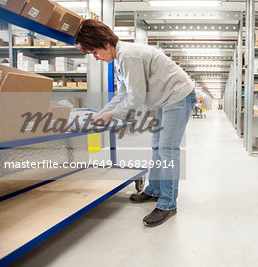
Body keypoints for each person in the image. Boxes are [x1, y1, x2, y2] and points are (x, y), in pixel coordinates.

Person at [75, 19, 196, 227]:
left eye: (94, 52)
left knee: (167, 149)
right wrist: (103, 112)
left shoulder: (128, 56)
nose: (95, 58)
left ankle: (168, 204)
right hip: (163, 99)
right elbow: (124, 93)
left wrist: (111, 116)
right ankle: (155, 190)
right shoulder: (120, 59)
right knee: (157, 146)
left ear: (104, 42)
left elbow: (136, 97)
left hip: (177, 96)